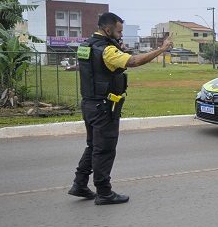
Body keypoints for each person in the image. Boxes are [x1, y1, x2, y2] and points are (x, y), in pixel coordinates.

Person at [68, 12, 173, 205]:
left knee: (93, 146)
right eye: (119, 31)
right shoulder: (107, 50)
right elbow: (133, 61)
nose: (120, 34)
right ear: (107, 29)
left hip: (89, 104)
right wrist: (162, 49)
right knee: (105, 149)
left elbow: (89, 67)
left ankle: (80, 184)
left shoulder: (86, 45)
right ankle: (104, 192)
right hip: (103, 106)